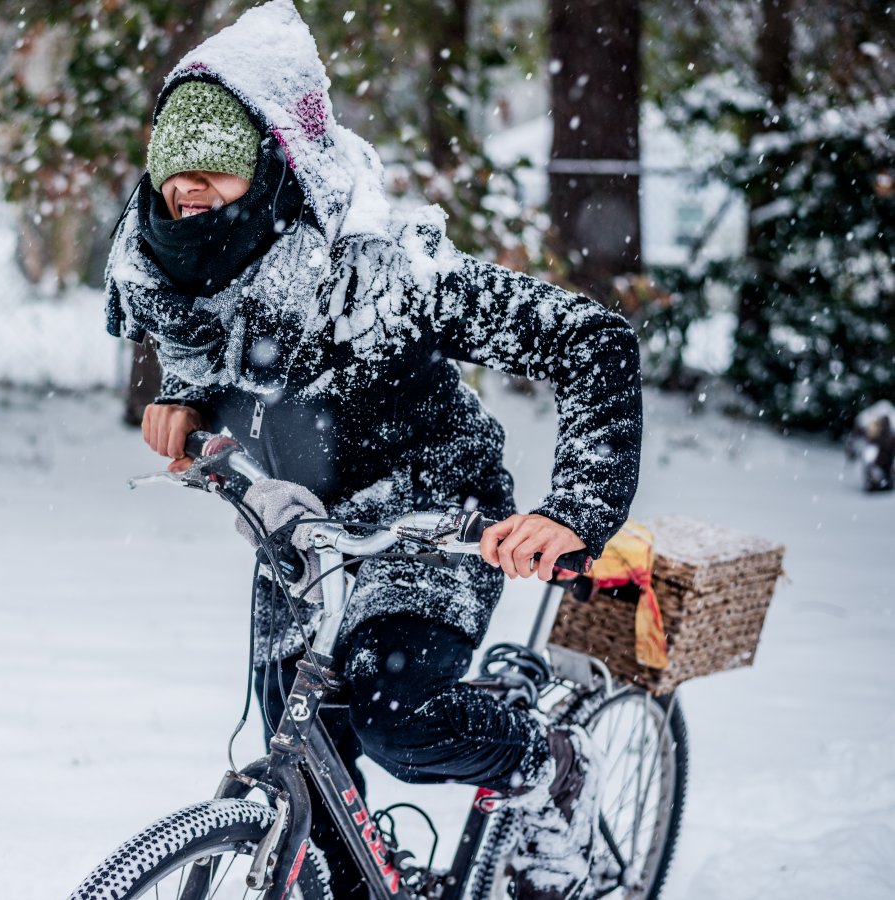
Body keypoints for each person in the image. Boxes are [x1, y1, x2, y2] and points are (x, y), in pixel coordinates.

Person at [104, 3, 642, 898]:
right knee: (312, 772)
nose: (187, 191)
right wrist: (184, 392)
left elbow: (590, 342)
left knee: (394, 716)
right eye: (172, 171)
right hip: (303, 531)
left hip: (433, 516)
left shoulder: (388, 276)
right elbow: (214, 343)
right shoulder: (178, 264)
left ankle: (546, 764)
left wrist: (570, 511)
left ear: (271, 168)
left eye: (214, 168)